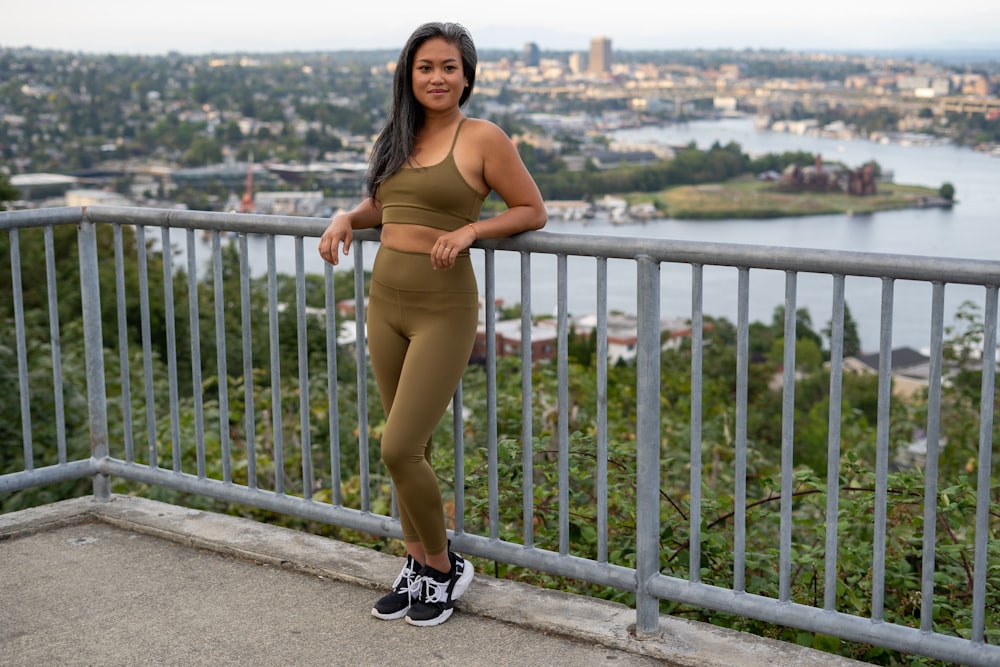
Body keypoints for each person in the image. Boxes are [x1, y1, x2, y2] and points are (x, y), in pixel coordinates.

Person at [317, 21, 546, 627]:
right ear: (408, 74)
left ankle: (445, 570)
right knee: (402, 450)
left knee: (398, 445)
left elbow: (532, 209)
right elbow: (387, 205)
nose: (437, 77)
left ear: (467, 75)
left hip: (443, 305)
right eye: (426, 67)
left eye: (449, 66)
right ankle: (415, 564)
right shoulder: (396, 136)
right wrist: (346, 215)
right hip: (384, 299)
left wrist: (472, 229)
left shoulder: (483, 138)